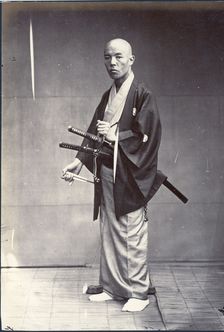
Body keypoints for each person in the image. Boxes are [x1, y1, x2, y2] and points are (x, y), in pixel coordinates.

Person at [62, 38, 166, 312]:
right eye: (107, 58)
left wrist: (117, 134)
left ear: (132, 59)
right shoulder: (107, 95)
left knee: (131, 231)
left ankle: (138, 292)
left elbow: (149, 136)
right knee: (109, 230)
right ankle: (112, 286)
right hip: (107, 171)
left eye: (119, 57)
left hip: (130, 174)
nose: (112, 63)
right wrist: (77, 160)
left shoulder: (143, 94)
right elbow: (93, 132)